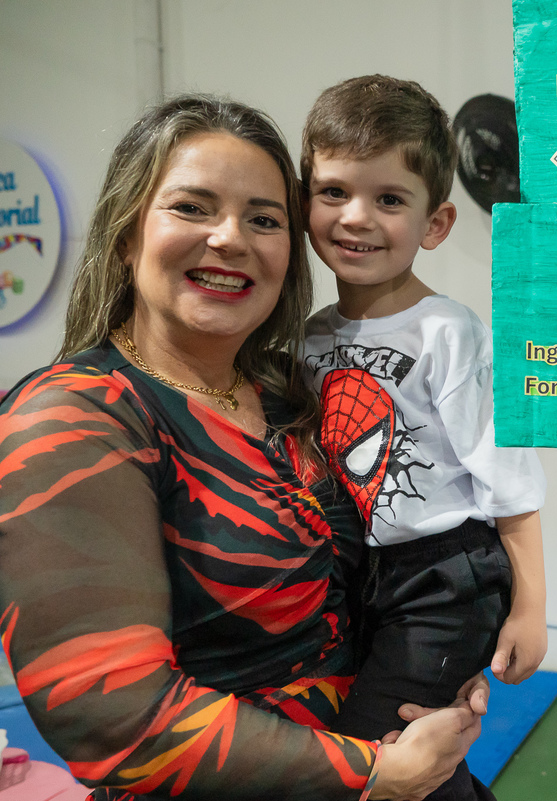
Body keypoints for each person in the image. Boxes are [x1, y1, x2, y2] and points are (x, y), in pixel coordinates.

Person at [0, 94, 485, 801]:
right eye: (192, 208)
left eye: (264, 219)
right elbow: (114, 716)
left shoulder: (295, 389)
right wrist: (376, 776)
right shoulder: (73, 418)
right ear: (127, 233)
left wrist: (442, 662)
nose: (231, 238)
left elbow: (404, 558)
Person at [300, 76, 548, 798]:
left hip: (446, 578)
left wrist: (530, 605)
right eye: (335, 192)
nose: (357, 217)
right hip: (363, 574)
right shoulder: (313, 336)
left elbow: (510, 475)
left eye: (388, 199)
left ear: (434, 224)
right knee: (413, 747)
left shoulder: (449, 330)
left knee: (375, 748)